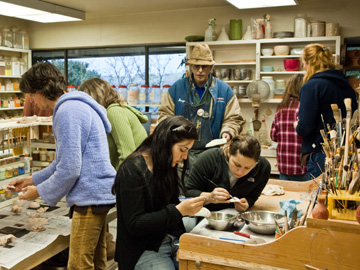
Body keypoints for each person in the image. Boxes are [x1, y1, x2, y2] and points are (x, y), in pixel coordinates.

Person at [10, 62, 116, 270]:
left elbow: (70, 168)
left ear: (41, 89)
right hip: (98, 195)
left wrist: (38, 192)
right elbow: (62, 162)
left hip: (89, 198)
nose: (31, 100)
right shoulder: (77, 105)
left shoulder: (67, 111)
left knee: (78, 265)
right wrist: (32, 179)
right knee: (96, 260)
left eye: (31, 94)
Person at [113, 115, 206, 270]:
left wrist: (201, 201)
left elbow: (170, 205)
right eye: (182, 150)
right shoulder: (132, 169)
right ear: (165, 143)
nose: (184, 157)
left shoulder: (165, 165)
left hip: (169, 237)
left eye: (187, 151)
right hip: (142, 248)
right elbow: (135, 224)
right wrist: (178, 211)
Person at [158, 43, 245, 162]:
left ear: (210, 67)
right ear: (191, 66)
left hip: (213, 154)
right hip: (181, 155)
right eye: (196, 66)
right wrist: (174, 135)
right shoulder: (176, 89)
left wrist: (228, 132)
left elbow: (233, 118)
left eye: (204, 66)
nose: (200, 70)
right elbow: (164, 116)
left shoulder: (224, 91)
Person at [295, 43, 357, 178]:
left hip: (321, 155)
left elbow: (305, 128)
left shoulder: (311, 87)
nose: (304, 68)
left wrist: (297, 125)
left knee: (319, 198)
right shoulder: (346, 86)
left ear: (309, 63)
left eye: (304, 64)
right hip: (344, 154)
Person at [185, 134, 271, 212]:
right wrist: (209, 197)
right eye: (237, 164)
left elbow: (253, 196)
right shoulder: (208, 159)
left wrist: (247, 203)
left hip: (234, 214)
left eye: (247, 168)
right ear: (229, 152)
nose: (240, 172)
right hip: (204, 211)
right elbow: (189, 192)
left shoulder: (263, 168)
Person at [79, 77, 148, 170]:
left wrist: (115, 183)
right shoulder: (113, 112)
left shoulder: (114, 112)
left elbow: (127, 155)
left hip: (133, 177)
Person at [270, 74, 308, 181]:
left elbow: (273, 136)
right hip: (301, 166)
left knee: (286, 196)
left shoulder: (280, 109)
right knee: (303, 196)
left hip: (284, 164)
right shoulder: (305, 108)